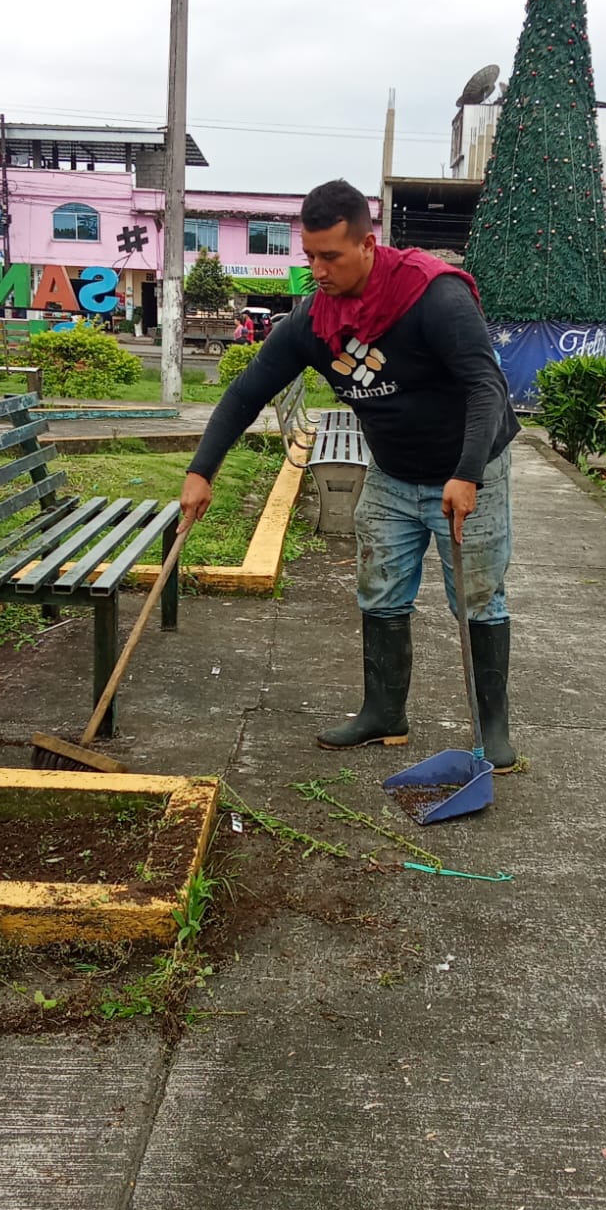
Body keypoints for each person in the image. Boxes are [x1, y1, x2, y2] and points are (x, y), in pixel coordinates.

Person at [178, 178, 519, 768]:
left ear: (367, 244)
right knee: (379, 588)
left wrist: (467, 473)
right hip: (391, 473)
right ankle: (384, 714)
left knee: (477, 599)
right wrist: (201, 471)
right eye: (309, 256)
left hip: (470, 470)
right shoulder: (314, 321)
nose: (318, 270)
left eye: (330, 256)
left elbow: (486, 386)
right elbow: (246, 392)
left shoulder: (433, 297)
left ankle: (493, 730)